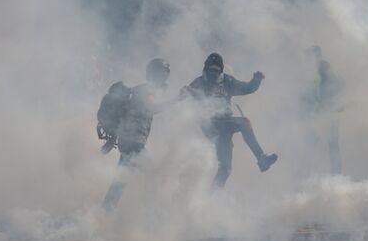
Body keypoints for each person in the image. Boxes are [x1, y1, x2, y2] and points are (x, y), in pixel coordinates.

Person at [183, 53, 278, 189]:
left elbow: (247, 88)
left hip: (226, 125)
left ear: (220, 71)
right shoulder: (198, 82)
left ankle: (211, 199)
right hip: (211, 125)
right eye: (210, 70)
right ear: (205, 70)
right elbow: (187, 99)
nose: (212, 74)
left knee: (226, 168)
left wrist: (256, 80)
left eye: (216, 71)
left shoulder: (228, 81)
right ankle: (261, 158)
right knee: (244, 122)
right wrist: (186, 92)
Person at [100, 58, 181, 211]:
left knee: (120, 181)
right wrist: (177, 99)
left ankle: (103, 214)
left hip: (129, 141)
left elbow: (129, 116)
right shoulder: (145, 90)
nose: (163, 79)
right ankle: (151, 218)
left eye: (165, 75)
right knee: (150, 175)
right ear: (153, 74)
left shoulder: (141, 90)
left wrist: (113, 139)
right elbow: (152, 109)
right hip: (133, 143)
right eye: (161, 75)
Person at [300, 46, 345, 176]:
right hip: (324, 113)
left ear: (317, 56)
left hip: (328, 114)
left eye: (310, 56)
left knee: (324, 144)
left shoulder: (325, 70)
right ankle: (333, 175)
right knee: (323, 144)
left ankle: (334, 176)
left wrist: (330, 103)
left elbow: (329, 90)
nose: (307, 59)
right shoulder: (319, 70)